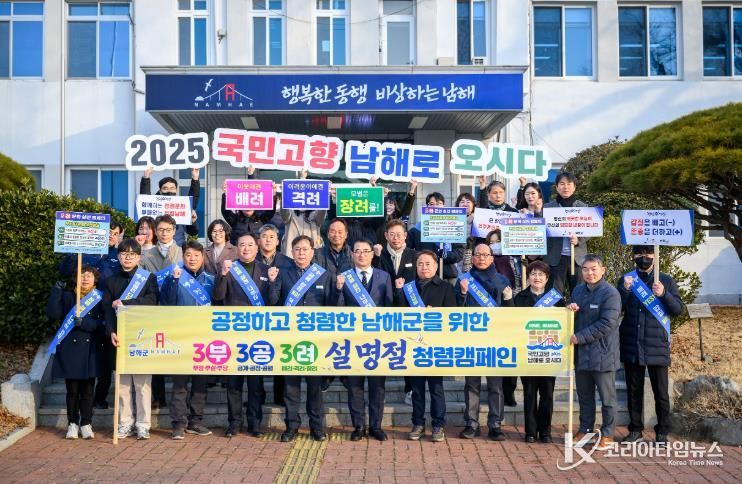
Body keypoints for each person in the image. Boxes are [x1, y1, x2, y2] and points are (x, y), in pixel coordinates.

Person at [268, 235, 342, 442]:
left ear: (312, 252)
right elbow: (273, 302)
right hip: (290, 339)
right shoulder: (283, 273)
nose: (301, 253)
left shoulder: (324, 275)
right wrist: (272, 282)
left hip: (315, 340)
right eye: (297, 249)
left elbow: (333, 306)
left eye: (305, 249)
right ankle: (291, 426)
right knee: (290, 387)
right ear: (292, 252)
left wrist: (338, 290)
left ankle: (316, 427)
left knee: (315, 387)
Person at [617, 246, 684, 444]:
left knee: (661, 393)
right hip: (632, 342)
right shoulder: (627, 280)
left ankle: (662, 431)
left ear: (654, 256)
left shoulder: (666, 280)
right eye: (639, 254)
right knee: (634, 391)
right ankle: (635, 429)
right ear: (634, 256)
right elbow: (617, 307)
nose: (644, 257)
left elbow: (678, 310)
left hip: (657, 344)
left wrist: (664, 294)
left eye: (648, 254)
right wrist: (624, 290)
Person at [213, 234, 272, 438]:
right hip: (234, 335)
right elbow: (218, 296)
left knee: (256, 384)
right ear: (236, 248)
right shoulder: (228, 268)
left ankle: (255, 423)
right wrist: (222, 275)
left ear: (257, 247)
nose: (246, 248)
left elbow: (272, 301)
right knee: (234, 383)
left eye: (250, 245)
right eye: (242, 245)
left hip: (258, 335)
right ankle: (234, 423)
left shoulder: (266, 270)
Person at [395, 250, 456, 442]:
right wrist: (399, 291)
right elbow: (398, 313)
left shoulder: (446, 287)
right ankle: (418, 424)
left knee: (436, 389)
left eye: (428, 263)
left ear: (436, 266)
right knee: (417, 389)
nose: (424, 267)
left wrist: (437, 313)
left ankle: (438, 425)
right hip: (413, 345)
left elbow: (453, 314)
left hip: (435, 346)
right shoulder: (408, 288)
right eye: (420, 264)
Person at [336, 239, 393, 442]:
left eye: (366, 251)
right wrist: (339, 290)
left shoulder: (384, 277)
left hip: (377, 342)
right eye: (358, 251)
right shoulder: (344, 278)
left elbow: (389, 307)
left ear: (372, 254)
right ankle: (358, 426)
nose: (361, 254)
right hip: (353, 341)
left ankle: (376, 426)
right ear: (352, 254)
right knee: (355, 386)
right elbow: (339, 310)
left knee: (377, 387)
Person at [456, 243, 514, 441]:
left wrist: (508, 299)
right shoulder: (464, 279)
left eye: (485, 255)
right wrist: (463, 293)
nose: (481, 258)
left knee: (495, 385)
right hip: (471, 339)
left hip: (495, 340)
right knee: (471, 384)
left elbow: (510, 314)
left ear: (491, 258)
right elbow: (454, 309)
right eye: (478, 255)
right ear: (472, 258)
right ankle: (471, 423)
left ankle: (495, 424)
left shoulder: (502, 280)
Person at [103, 239, 159, 440]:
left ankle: (143, 424)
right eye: (123, 254)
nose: (127, 258)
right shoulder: (110, 281)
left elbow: (152, 301)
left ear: (139, 257)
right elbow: (106, 310)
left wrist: (126, 302)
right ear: (118, 256)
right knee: (123, 385)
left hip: (142, 337)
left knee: (143, 385)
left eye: (132, 254)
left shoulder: (148, 278)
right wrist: (111, 331)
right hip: (119, 338)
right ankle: (125, 423)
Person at [160, 240, 216, 440]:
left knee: (200, 382)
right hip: (181, 337)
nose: (192, 259)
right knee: (180, 383)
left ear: (203, 258)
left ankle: (196, 421)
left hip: (204, 338)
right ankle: (178, 423)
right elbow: (167, 304)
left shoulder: (211, 279)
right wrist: (174, 282)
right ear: (183, 257)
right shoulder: (173, 277)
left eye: (196, 255)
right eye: (188, 255)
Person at [566, 254, 622, 451]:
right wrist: (570, 309)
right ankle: (585, 429)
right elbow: (572, 317)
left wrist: (579, 337)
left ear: (603, 270)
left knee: (607, 399)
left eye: (593, 269)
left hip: (603, 354)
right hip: (582, 355)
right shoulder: (578, 290)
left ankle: (608, 434)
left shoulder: (611, 293)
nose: (589, 273)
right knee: (585, 397)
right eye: (585, 269)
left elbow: (607, 323)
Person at [46, 265, 104, 440]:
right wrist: (56, 293)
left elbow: (104, 324)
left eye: (89, 276)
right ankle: (72, 423)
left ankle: (86, 423)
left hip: (91, 348)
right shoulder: (68, 296)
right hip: (70, 349)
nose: (85, 278)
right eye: (82, 275)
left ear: (95, 279)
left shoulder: (100, 298)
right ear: (75, 279)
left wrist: (86, 324)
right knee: (72, 390)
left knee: (88, 390)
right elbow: (53, 313)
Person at [515, 261, 565, 443]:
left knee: (547, 394)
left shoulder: (557, 299)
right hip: (528, 352)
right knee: (529, 394)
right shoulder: (520, 298)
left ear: (547, 278)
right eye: (533, 274)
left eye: (541, 274)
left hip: (548, 352)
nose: (537, 278)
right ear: (528, 277)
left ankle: (545, 431)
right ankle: (530, 431)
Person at [139, 214, 183, 410]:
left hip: (177, 309)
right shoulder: (146, 255)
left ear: (174, 231)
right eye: (161, 230)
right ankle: (158, 396)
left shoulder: (183, 251)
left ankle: (179, 398)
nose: (164, 233)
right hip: (155, 308)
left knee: (178, 352)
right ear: (155, 232)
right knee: (155, 352)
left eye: (168, 230)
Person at [372, 219, 417, 404]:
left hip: (408, 311)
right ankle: (378, 394)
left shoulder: (414, 255)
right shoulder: (379, 255)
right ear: (386, 236)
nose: (396, 238)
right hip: (385, 311)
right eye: (392, 234)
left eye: (399, 234)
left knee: (408, 351)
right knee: (381, 350)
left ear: (405, 235)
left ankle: (410, 390)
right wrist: (375, 257)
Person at [544, 172, 588, 294]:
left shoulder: (583, 207)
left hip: (578, 258)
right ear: (557, 187)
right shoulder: (548, 208)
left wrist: (578, 239)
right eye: (562, 184)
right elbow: (542, 231)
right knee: (554, 293)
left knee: (579, 292)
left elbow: (590, 228)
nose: (566, 187)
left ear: (574, 186)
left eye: (569, 184)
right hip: (555, 258)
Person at [407, 193, 464, 284]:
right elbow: (407, 251)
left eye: (439, 203)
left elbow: (460, 252)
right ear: (427, 207)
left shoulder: (454, 226)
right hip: (425, 277)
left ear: (444, 206)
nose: (436, 207)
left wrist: (447, 255)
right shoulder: (417, 230)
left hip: (447, 276)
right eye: (432, 204)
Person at [139, 167, 200, 245]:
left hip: (178, 247)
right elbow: (145, 199)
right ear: (160, 191)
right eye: (165, 188)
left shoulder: (182, 207)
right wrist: (146, 177)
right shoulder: (154, 206)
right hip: (156, 247)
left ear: (176, 190)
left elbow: (193, 232)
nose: (169, 191)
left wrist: (195, 178)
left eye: (172, 188)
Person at [220, 179, 276, 245]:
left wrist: (273, 194)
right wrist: (226, 194)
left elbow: (271, 211)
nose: (248, 208)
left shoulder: (260, 219)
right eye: (245, 205)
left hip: (257, 250)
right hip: (238, 250)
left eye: (251, 205)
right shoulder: (235, 219)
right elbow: (225, 211)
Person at [455, 192, 477, 274]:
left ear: (473, 205)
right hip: (456, 257)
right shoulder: (452, 219)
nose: (465, 204)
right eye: (462, 202)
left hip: (471, 257)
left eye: (468, 202)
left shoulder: (477, 220)